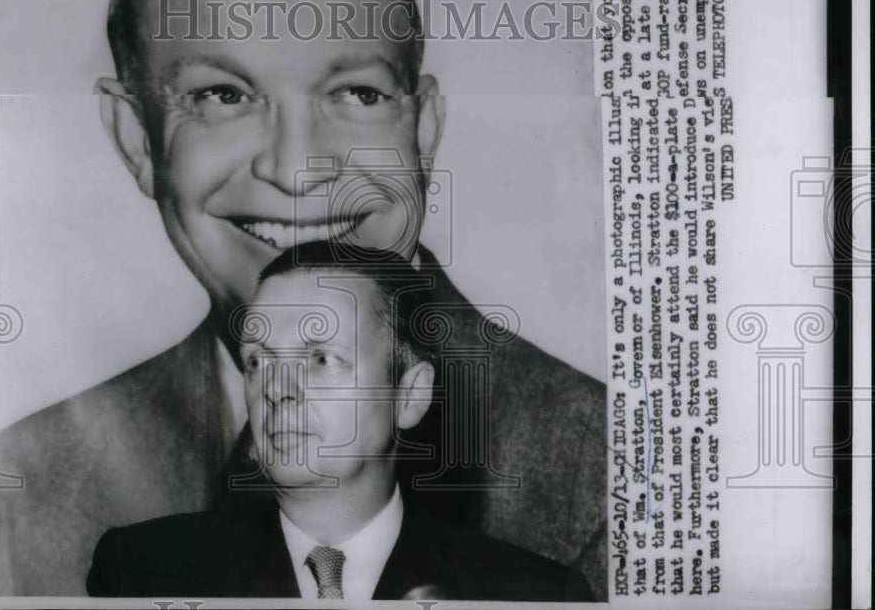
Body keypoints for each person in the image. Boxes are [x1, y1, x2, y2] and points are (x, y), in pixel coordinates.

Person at [0, 0, 607, 598]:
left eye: (356, 91)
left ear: (425, 127)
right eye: (222, 93)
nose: (297, 170)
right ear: (136, 136)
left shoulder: (600, 454)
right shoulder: (26, 481)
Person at [87, 242, 594, 601]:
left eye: (320, 358)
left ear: (410, 395)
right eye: (258, 361)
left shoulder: (533, 596)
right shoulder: (147, 573)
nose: (277, 389)